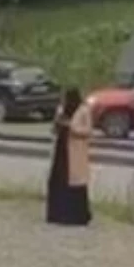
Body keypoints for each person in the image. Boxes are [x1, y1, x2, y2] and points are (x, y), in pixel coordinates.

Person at [46, 85, 93, 227]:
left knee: (75, 182)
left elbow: (88, 131)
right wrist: (57, 123)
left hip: (75, 151)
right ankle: (57, 214)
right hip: (61, 149)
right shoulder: (61, 109)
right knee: (59, 180)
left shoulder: (84, 110)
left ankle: (76, 216)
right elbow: (54, 129)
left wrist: (71, 127)